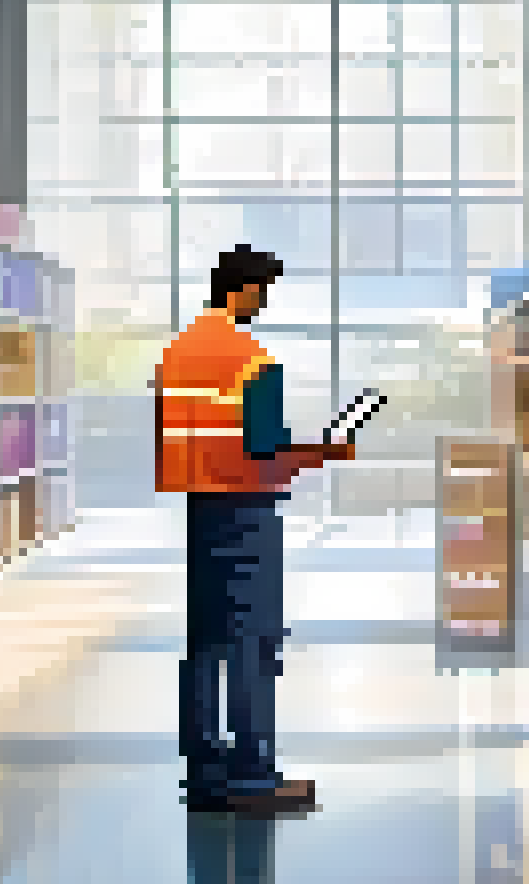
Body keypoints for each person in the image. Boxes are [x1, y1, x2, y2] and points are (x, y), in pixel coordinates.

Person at [155, 245, 353, 815]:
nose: (264, 302)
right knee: (252, 639)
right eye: (263, 290)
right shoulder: (250, 359)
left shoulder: (181, 352)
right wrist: (326, 451)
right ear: (243, 291)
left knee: (206, 638)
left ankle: (203, 766)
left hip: (200, 508)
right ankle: (253, 774)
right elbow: (265, 454)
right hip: (246, 511)